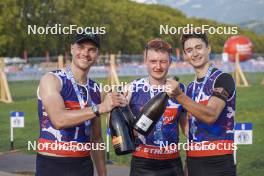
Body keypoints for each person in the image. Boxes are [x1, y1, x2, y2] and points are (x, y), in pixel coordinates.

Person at [36, 31, 127, 176]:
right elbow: (59, 120)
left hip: (83, 166)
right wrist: (100, 107)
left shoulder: (95, 90)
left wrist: (103, 174)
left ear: (97, 54)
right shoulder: (52, 79)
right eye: (81, 47)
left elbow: (96, 139)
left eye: (91, 49)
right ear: (72, 48)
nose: (86, 53)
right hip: (52, 164)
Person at [167, 30, 237, 176]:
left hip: (219, 161)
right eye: (189, 50)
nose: (195, 53)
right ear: (185, 55)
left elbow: (211, 116)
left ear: (208, 48)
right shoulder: (191, 87)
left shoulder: (223, 79)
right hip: (194, 161)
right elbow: (191, 131)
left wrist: (179, 96)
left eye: (199, 47)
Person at [126, 38, 187, 176]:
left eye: (163, 61)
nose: (158, 66)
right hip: (142, 162)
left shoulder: (180, 89)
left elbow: (187, 128)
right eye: (153, 61)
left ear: (170, 62)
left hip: (172, 162)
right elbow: (116, 126)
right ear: (145, 61)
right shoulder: (132, 88)